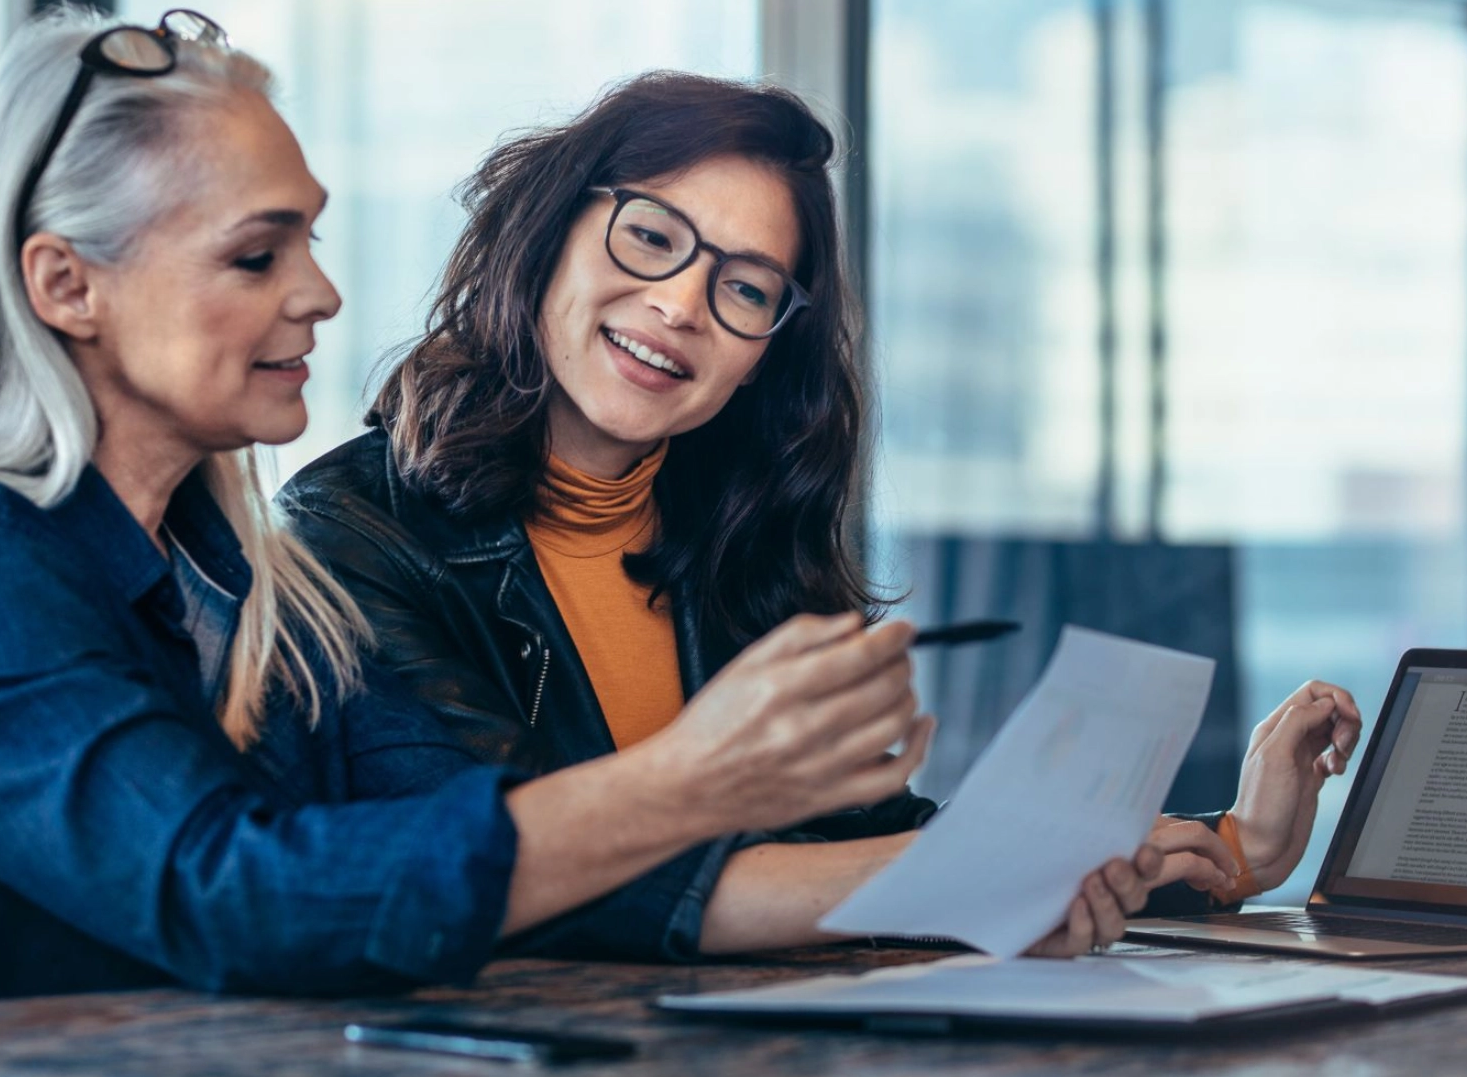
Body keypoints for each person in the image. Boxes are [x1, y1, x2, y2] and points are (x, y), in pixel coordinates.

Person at [0, 13, 1182, 1077]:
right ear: (66, 284)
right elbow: (237, 895)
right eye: (256, 254)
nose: (324, 294)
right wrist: (695, 779)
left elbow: (487, 836)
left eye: (311, 242)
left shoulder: (245, 585)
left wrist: (992, 889)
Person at [280, 71, 1363, 919]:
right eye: (651, 236)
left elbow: (859, 843)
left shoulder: (741, 535)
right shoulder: (349, 535)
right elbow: (510, 874)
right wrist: (970, 878)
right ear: (548, 231)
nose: (679, 305)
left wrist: (1233, 849)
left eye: (744, 286)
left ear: (767, 347)